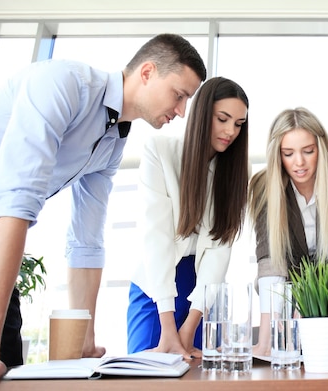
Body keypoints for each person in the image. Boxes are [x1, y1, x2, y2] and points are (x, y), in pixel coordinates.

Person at [0, 33, 206, 390]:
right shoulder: (63, 83)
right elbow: (16, 198)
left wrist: (86, 338)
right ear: (147, 72)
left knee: (3, 372)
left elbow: (86, 241)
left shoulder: (112, 143)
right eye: (180, 95)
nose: (183, 110)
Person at [127, 76, 249, 358]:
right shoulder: (160, 151)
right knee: (146, 374)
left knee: (199, 378)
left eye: (238, 124)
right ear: (203, 113)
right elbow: (156, 239)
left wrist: (189, 325)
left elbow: (219, 252)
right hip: (155, 287)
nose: (231, 131)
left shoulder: (235, 172)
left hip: (203, 293)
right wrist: (169, 327)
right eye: (223, 119)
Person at [248, 107, 328, 356]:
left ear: (321, 149)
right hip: (281, 311)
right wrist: (266, 337)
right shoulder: (263, 187)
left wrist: (317, 302)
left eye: (308, 151)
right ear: (277, 155)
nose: (299, 162)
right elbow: (270, 262)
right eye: (288, 154)